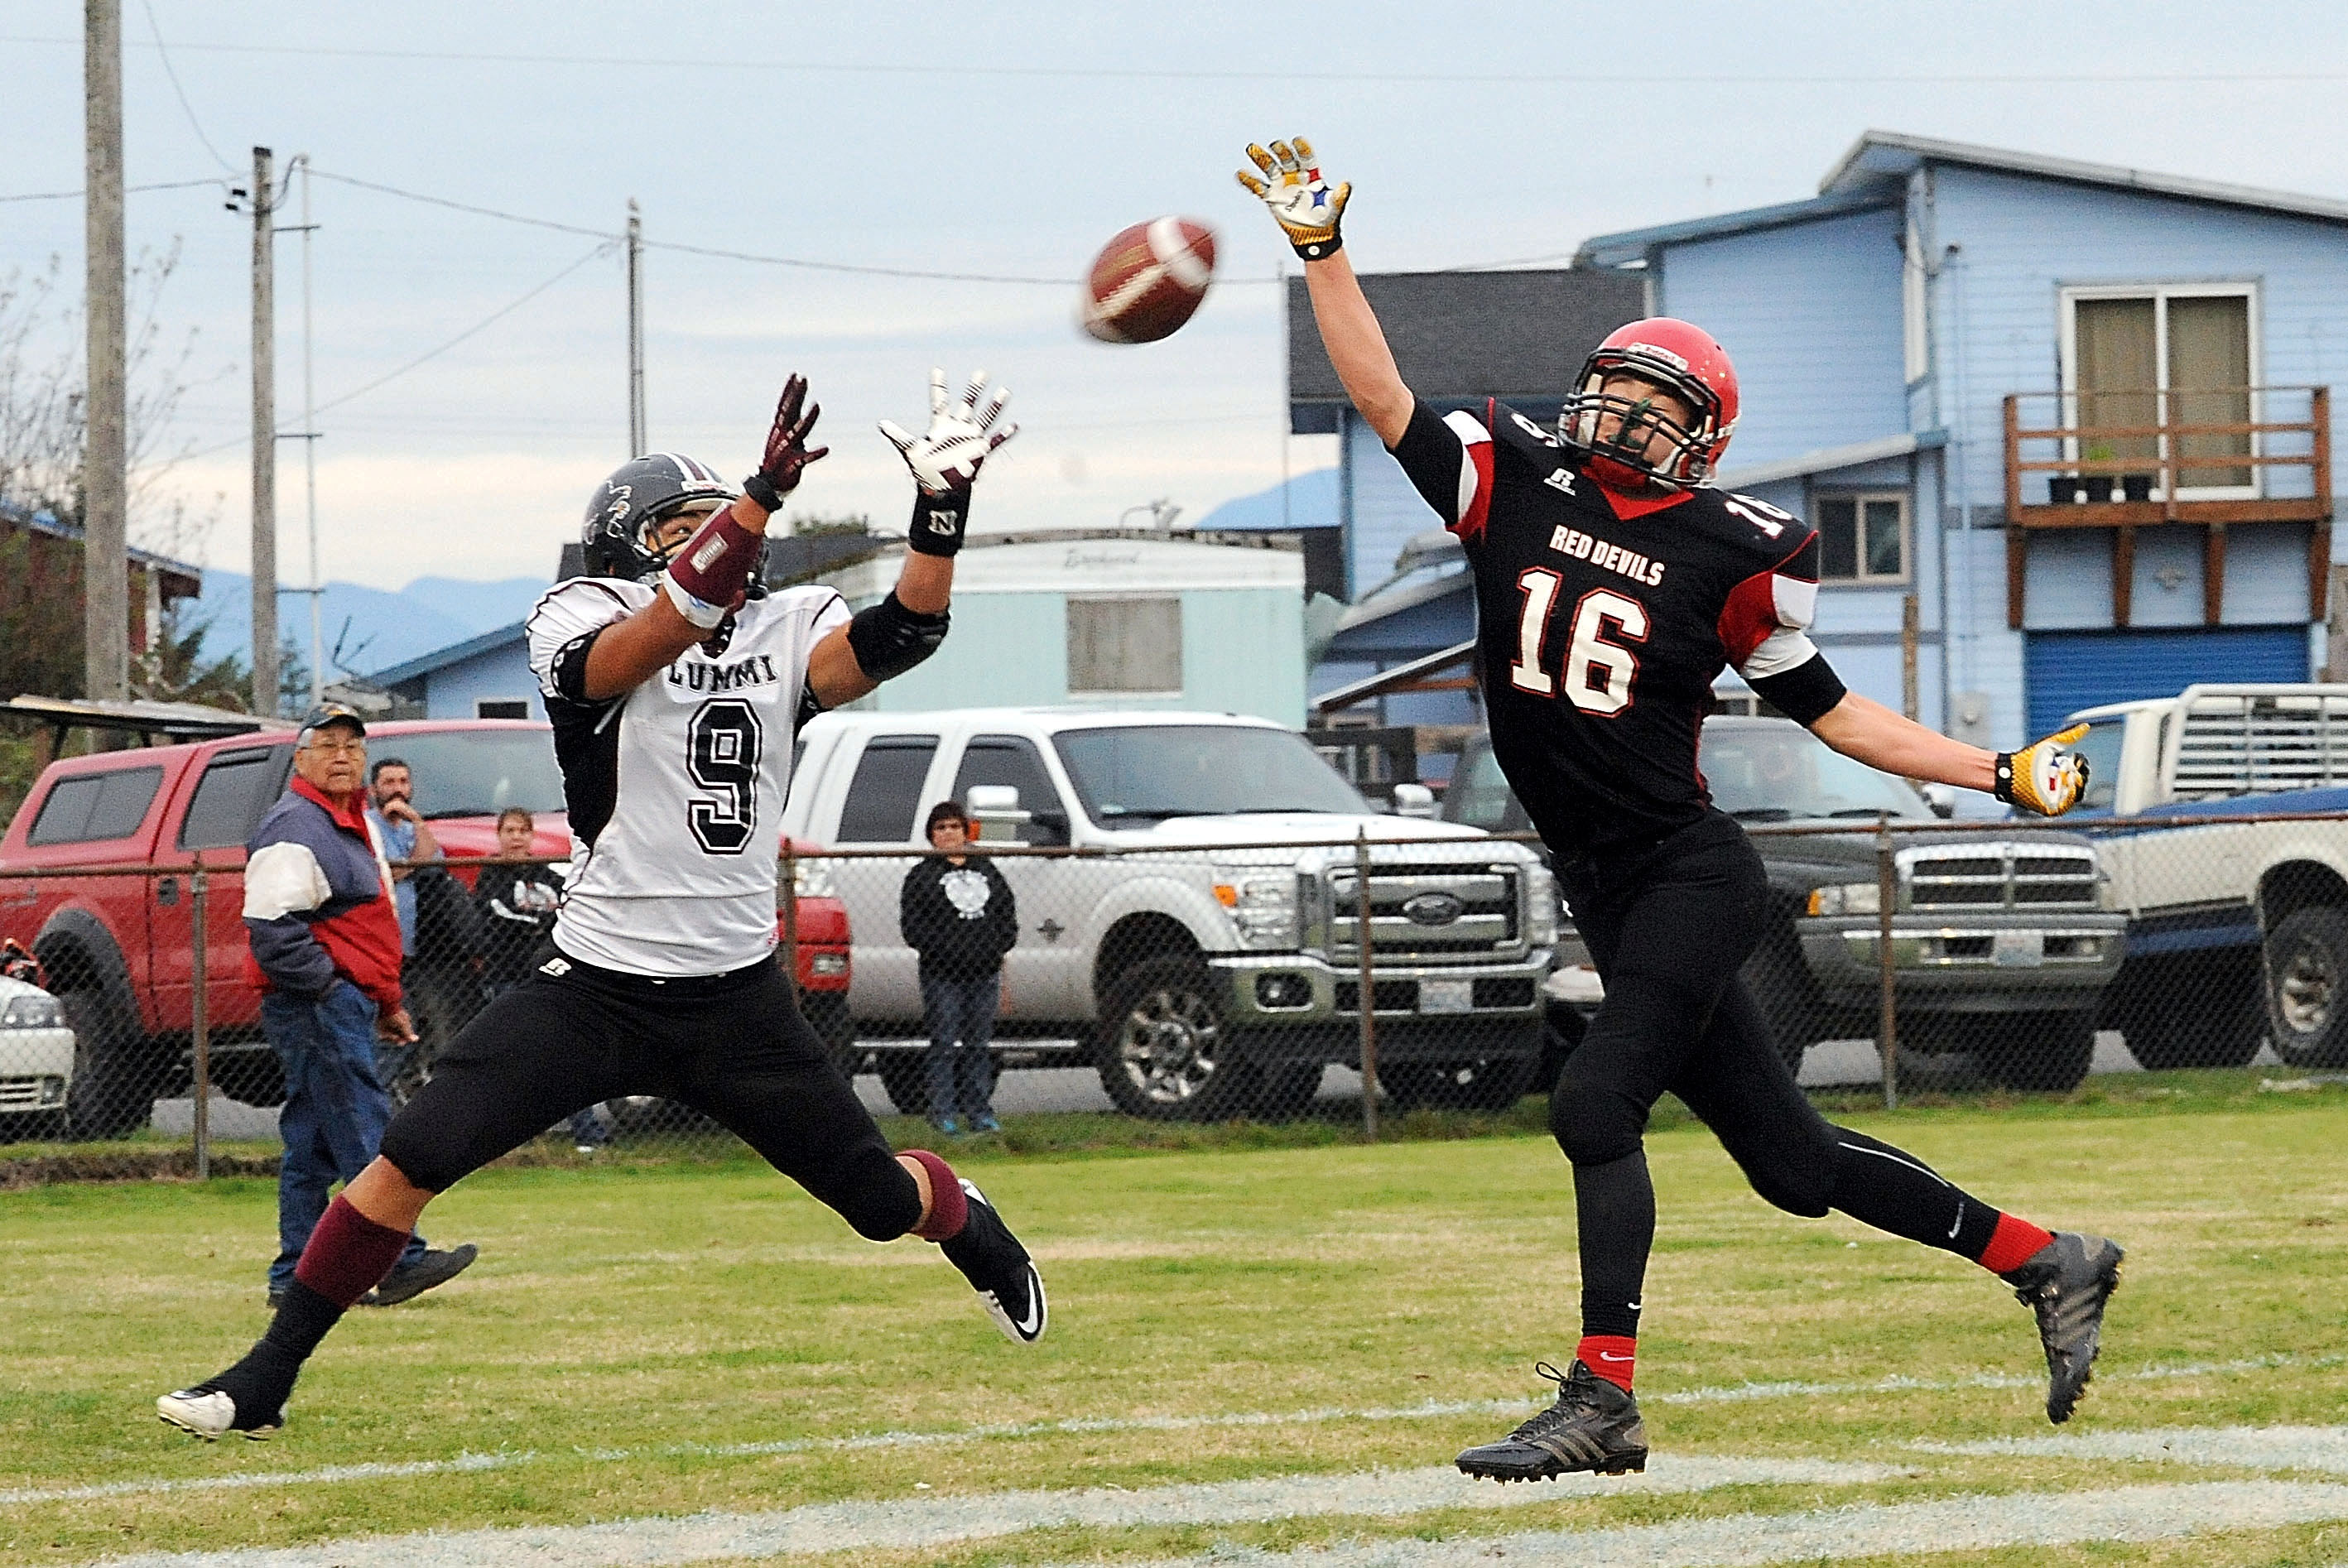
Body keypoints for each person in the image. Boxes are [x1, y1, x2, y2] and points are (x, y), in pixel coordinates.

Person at [1241, 137, 2121, 1481]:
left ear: (1703, 434)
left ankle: (1604, 1396)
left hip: (1689, 873)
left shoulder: (1733, 550)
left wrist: (1993, 772)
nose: (1624, 415)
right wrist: (1323, 254)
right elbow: (1380, 392)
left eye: (1655, 403)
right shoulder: (1514, 479)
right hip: (1603, 871)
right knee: (1792, 1160)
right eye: (1613, 391)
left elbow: (1837, 713)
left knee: (1595, 1102)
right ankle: (2047, 1257)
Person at [161, 367, 1042, 1443]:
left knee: (875, 1202)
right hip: (597, 987)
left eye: (713, 522)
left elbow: (906, 631)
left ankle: (969, 1220)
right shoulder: (580, 616)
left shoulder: (785, 626)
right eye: (680, 524)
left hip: (734, 997)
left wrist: (939, 511)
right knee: (412, 1157)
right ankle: (264, 1379)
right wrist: (756, 498)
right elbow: (639, 647)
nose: (707, 537)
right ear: (626, 544)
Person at [242, 705, 479, 1314]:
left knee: (313, 1140)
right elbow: (271, 929)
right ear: (301, 760)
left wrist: (383, 1002)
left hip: (341, 1000)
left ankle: (294, 1274)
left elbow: (368, 926)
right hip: (316, 1004)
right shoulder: (295, 824)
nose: (343, 755)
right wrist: (332, 989)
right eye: (328, 745)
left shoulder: (352, 821)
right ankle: (398, 1260)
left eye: (353, 745)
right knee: (364, 1128)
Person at [469, 809, 591, 1147]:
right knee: (509, 1059)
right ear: (499, 835)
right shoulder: (490, 877)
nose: (517, 837)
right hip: (505, 976)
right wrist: (539, 926)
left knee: (562, 1055)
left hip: (547, 979)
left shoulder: (548, 875)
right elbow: (497, 919)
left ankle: (589, 1135)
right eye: (509, 830)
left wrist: (542, 932)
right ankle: (505, 1137)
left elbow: (568, 915)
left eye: (523, 830)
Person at [901, 801, 1017, 1134]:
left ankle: (980, 1113)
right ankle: (942, 1112)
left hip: (984, 973)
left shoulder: (987, 871)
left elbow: (1005, 915)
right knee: (944, 1044)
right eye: (941, 828)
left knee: (979, 1046)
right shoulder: (922, 876)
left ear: (966, 831)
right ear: (932, 835)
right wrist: (945, 951)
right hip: (942, 976)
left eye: (954, 826)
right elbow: (913, 927)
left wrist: (995, 947)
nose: (949, 833)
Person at [365, 757, 443, 966]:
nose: (397, 789)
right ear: (373, 790)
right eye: (389, 783)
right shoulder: (366, 825)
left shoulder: (412, 828)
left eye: (403, 782)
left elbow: (434, 863)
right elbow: (391, 873)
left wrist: (417, 821)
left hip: (414, 936)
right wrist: (415, 864)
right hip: (377, 937)